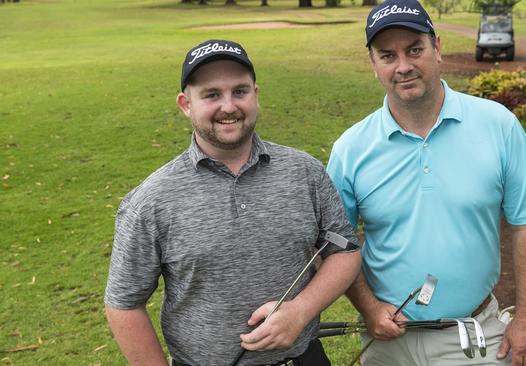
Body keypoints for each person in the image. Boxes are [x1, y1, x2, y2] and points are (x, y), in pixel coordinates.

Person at [326, 1, 526, 365]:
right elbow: (336, 244)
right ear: (374, 65)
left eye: (415, 49)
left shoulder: (498, 125)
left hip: (474, 337)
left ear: (437, 48)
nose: (403, 66)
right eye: (387, 55)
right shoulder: (351, 149)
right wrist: (369, 308)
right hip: (389, 342)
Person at [104, 39, 361, 366]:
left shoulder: (305, 172)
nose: (229, 106)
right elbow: (123, 304)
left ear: (256, 94)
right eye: (212, 95)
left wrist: (300, 311)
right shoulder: (151, 199)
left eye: (239, 91)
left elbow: (345, 252)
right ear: (186, 104)